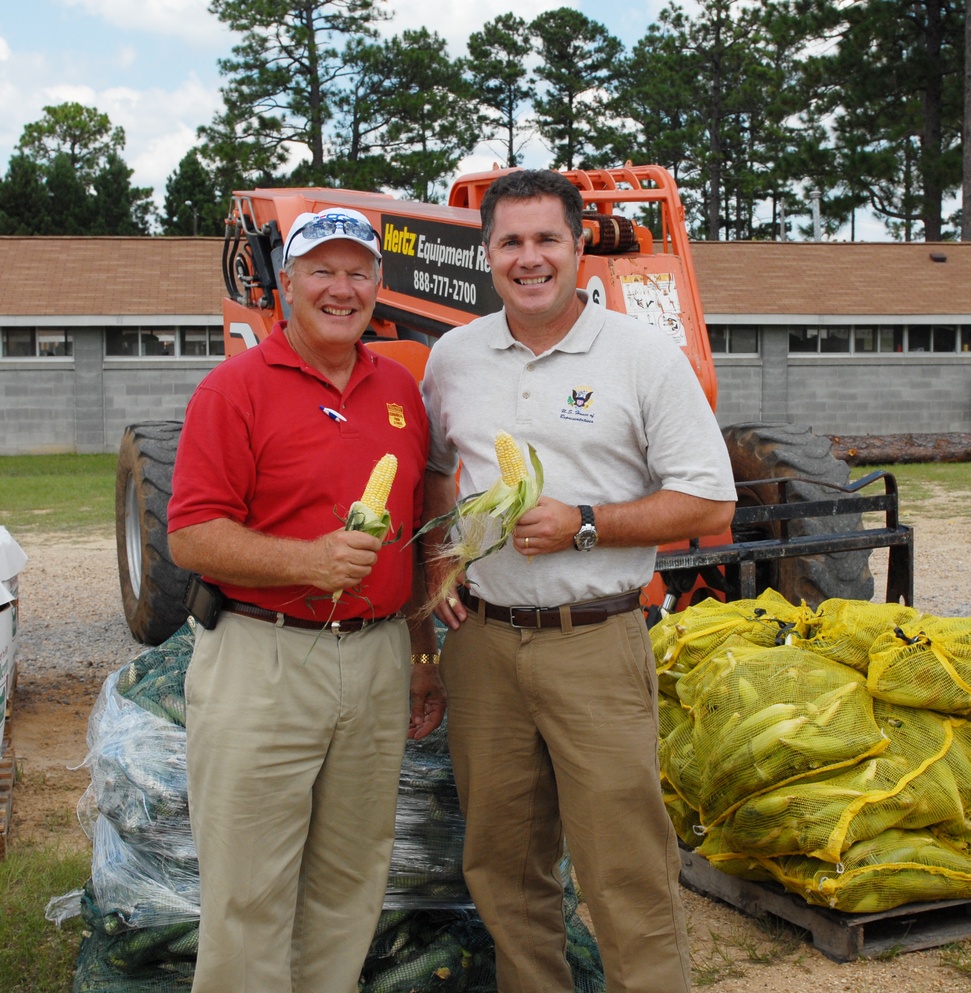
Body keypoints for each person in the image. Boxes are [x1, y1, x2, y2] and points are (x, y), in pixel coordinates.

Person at [420, 170, 736, 993]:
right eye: (511, 242)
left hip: (593, 641)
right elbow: (430, 471)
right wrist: (437, 561)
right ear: (486, 253)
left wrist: (586, 521)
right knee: (503, 869)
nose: (530, 259)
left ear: (578, 246)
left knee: (624, 873)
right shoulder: (453, 358)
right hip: (483, 646)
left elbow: (708, 494)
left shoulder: (641, 355)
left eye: (546, 239)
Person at [167, 207, 446, 993]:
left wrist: (424, 654)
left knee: (349, 883)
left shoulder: (401, 389)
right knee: (249, 891)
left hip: (378, 659)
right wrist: (308, 558)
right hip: (265, 658)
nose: (341, 288)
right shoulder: (235, 389)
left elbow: (419, 532)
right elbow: (191, 535)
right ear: (286, 283)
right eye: (321, 270)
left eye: (358, 271)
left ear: (379, 287)